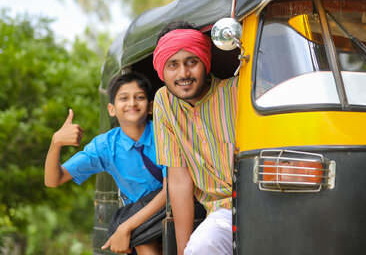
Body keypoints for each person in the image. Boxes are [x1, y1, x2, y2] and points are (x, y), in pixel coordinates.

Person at [44, 72, 166, 255]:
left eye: (139, 97)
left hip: (176, 204)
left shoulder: (164, 134)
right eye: (124, 98)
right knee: (142, 239)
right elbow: (53, 180)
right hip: (143, 221)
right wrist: (56, 143)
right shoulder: (105, 146)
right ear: (112, 109)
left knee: (135, 230)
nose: (132, 103)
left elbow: (172, 190)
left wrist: (125, 227)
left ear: (150, 107)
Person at [152, 20, 237, 255]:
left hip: (266, 199)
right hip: (221, 212)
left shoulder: (237, 91)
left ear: (205, 62)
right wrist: (182, 250)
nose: (184, 74)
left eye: (192, 62)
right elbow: (179, 181)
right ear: (162, 70)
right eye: (173, 65)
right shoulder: (164, 103)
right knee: (200, 248)